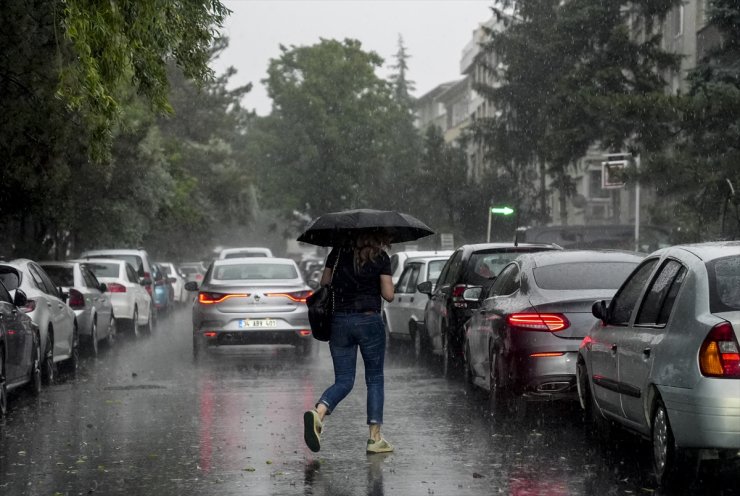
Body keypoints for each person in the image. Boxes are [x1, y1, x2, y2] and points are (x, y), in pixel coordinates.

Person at [303, 231, 395, 454]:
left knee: (344, 380)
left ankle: (319, 412)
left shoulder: (337, 255)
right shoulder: (380, 257)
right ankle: (375, 439)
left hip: (340, 321)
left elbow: (324, 284)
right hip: (369, 320)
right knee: (374, 379)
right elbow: (388, 295)